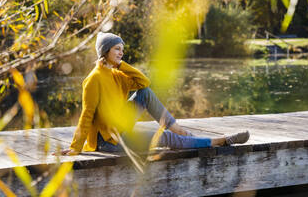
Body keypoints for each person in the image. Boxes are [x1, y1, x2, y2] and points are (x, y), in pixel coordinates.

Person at [60, 32, 249, 156]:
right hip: (109, 141)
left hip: (121, 125)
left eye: (122, 49)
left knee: (145, 93)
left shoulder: (116, 73)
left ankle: (181, 131)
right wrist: (76, 148)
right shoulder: (93, 79)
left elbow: (144, 83)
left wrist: (121, 65)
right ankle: (220, 141)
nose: (121, 53)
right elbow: (86, 115)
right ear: (105, 50)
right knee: (165, 138)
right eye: (117, 49)